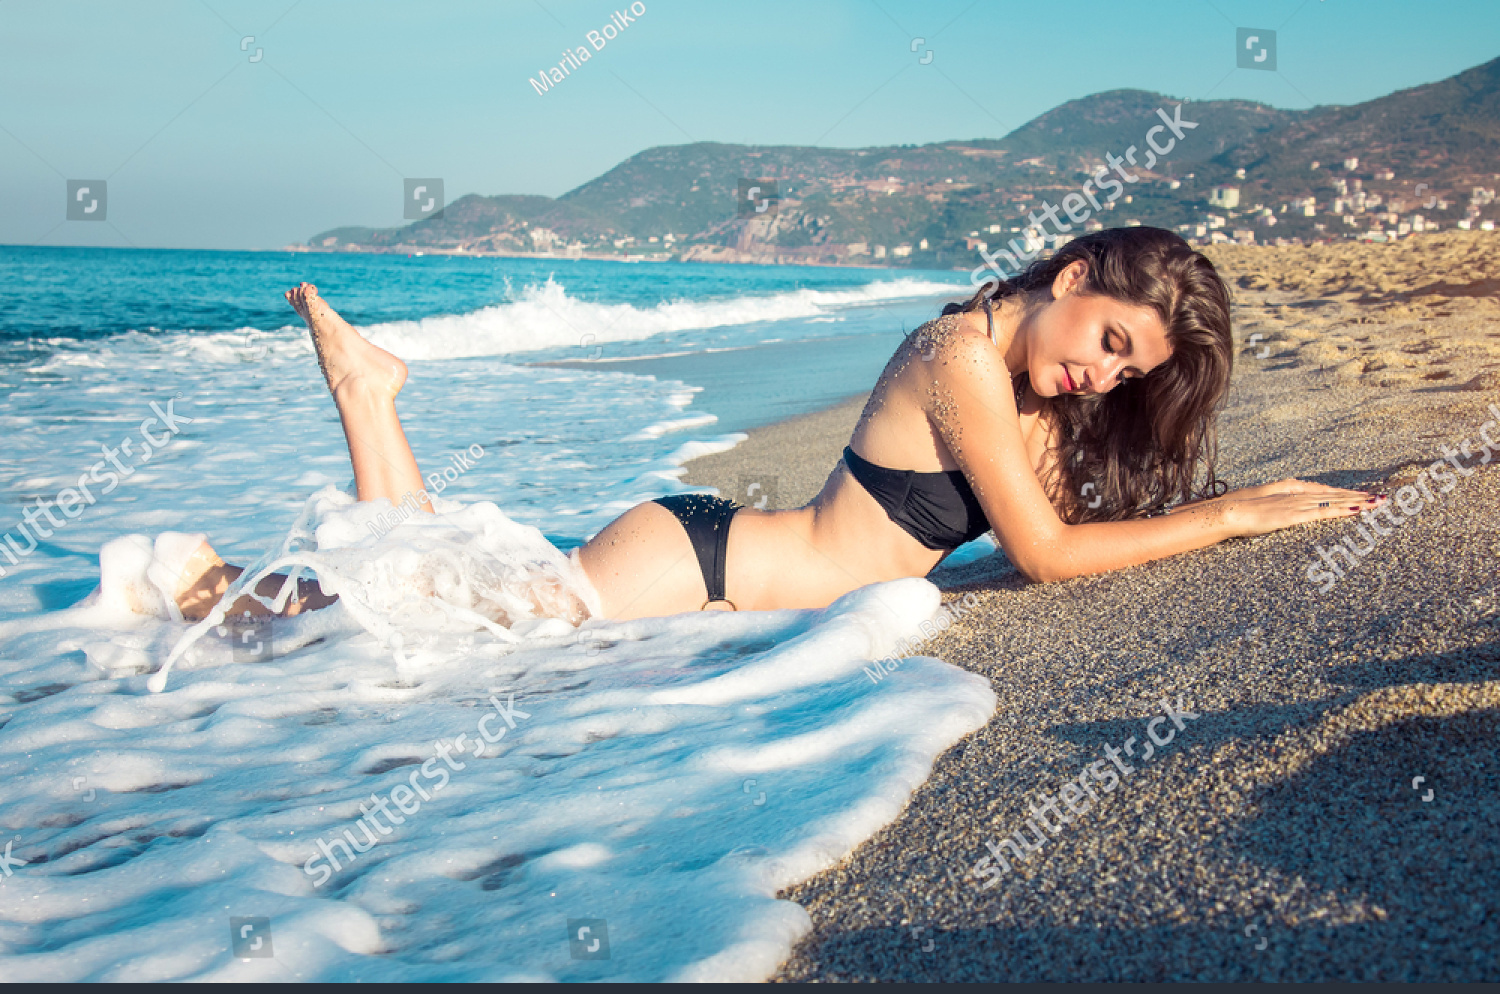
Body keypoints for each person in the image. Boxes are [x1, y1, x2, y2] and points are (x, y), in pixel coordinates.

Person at [107, 227, 1384, 628]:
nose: (1104, 378)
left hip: (720, 561)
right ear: (1074, 274)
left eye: (1130, 371)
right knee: (429, 612)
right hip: (698, 563)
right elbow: (1043, 555)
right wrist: (1237, 514)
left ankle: (371, 402)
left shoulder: (1009, 376)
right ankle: (243, 569)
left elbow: (1010, 542)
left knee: (447, 596)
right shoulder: (963, 360)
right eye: (1109, 339)